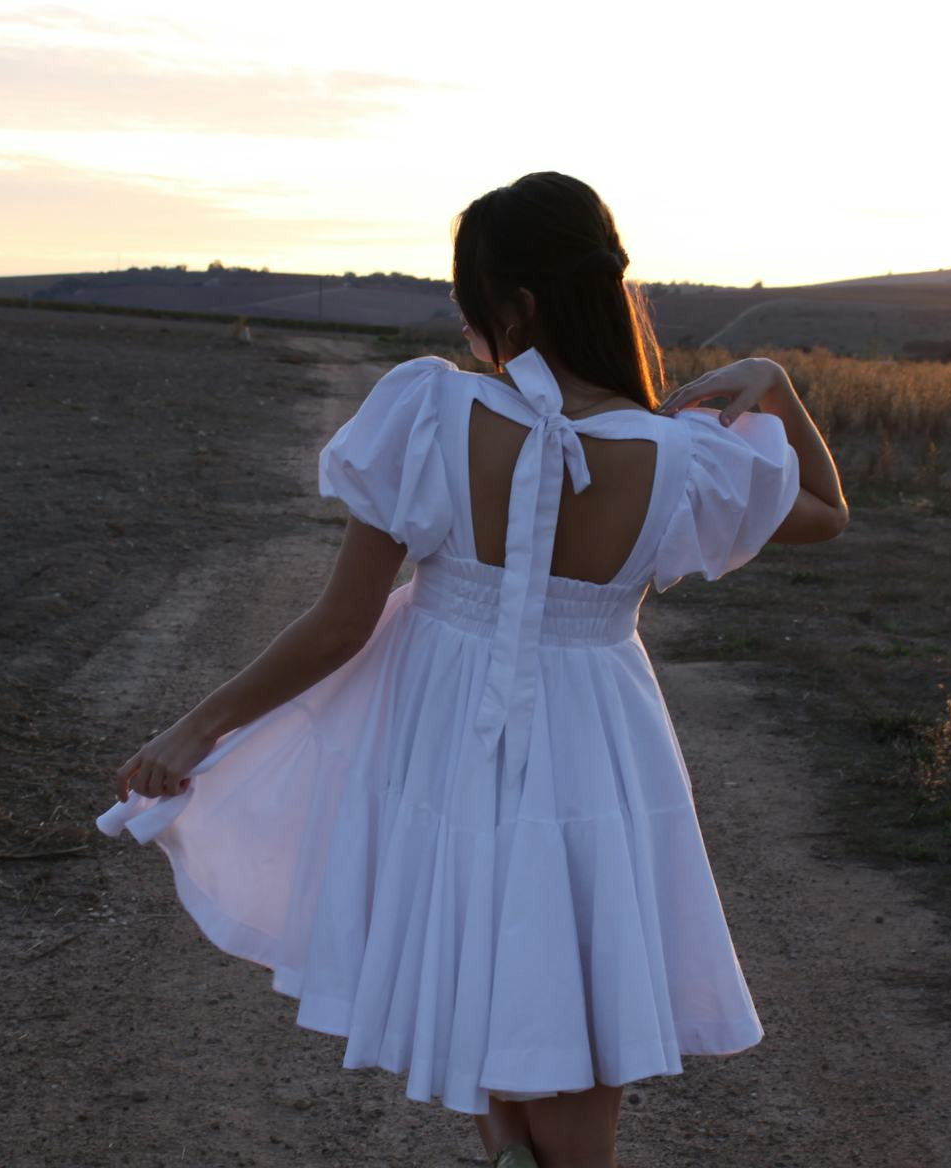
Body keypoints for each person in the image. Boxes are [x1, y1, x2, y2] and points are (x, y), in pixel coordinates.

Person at [98, 171, 849, 1168]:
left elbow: (339, 625)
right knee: (569, 1001)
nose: (462, 324)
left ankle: (507, 1149)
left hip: (447, 733)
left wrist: (198, 727)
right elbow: (827, 512)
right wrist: (774, 382)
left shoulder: (431, 411)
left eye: (470, 301)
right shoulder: (681, 453)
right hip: (597, 741)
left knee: (476, 963)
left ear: (518, 307)